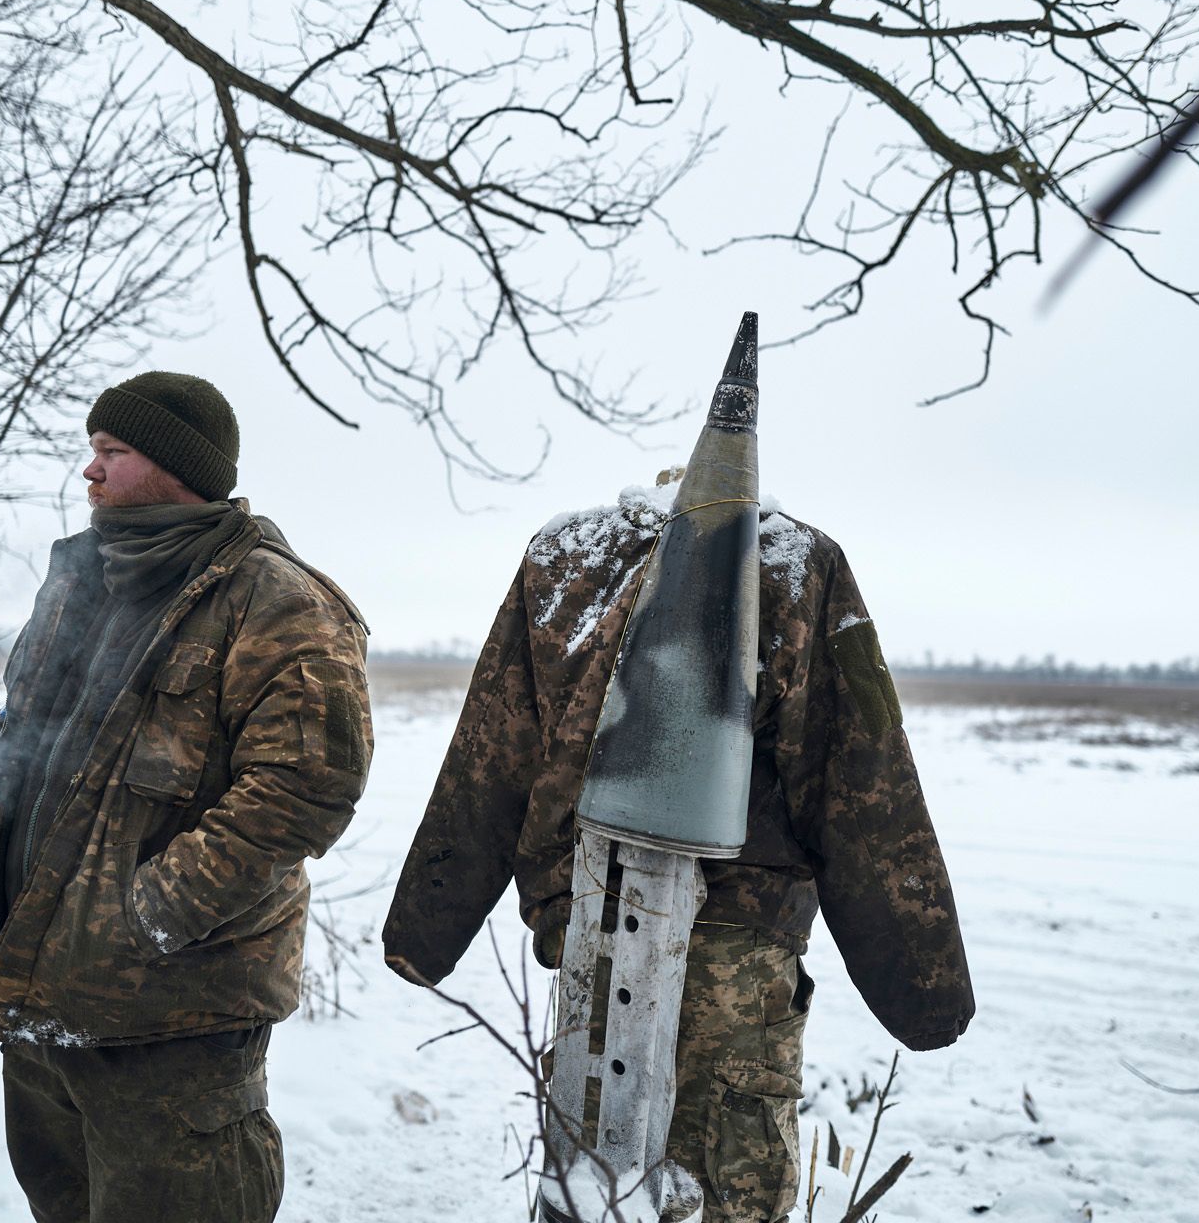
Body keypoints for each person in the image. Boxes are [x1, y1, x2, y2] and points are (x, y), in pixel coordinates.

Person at [382, 478, 974, 1223]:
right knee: (703, 1192)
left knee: (592, 1189)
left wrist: (425, 929)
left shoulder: (563, 558)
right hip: (729, 967)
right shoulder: (793, 565)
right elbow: (862, 781)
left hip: (589, 944)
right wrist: (926, 990)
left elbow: (489, 756)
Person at [0, 371, 372, 1223]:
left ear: (180, 467)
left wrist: (140, 920)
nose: (90, 469)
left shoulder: (276, 599)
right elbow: (12, 758)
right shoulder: (80, 581)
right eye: (92, 450)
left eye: (113, 451)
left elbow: (302, 791)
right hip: (37, 999)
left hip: (170, 1021)